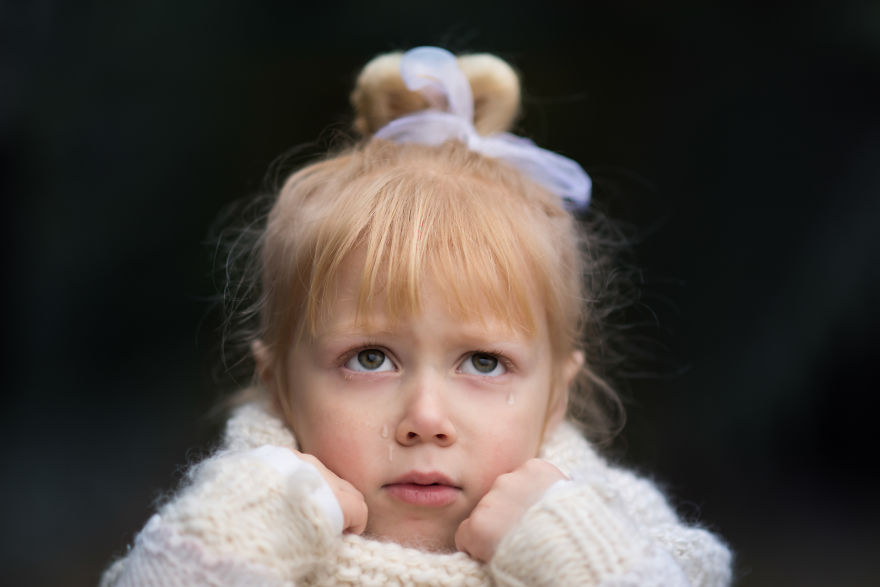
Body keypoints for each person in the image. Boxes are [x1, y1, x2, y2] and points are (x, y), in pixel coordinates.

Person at [101, 47, 732, 586]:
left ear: (556, 396)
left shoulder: (620, 533)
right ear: (280, 386)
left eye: (484, 362)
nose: (426, 420)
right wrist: (244, 524)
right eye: (370, 357)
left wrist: (578, 554)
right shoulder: (232, 532)